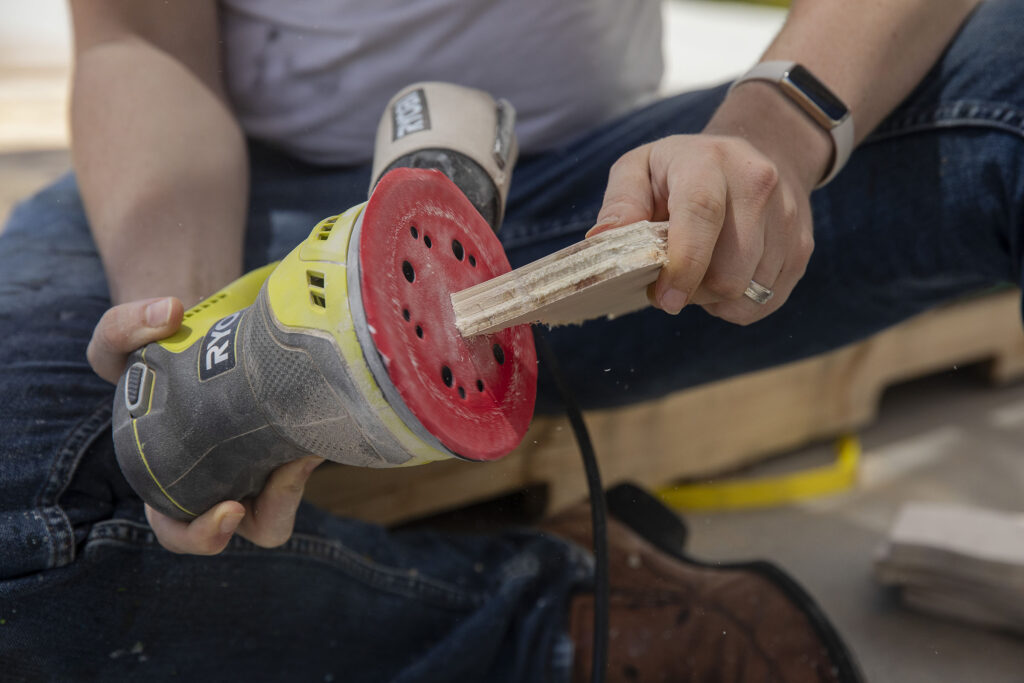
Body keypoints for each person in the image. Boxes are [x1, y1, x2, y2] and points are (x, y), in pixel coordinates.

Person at [1, 0, 1021, 679]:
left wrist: (775, 129)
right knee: (24, 505)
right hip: (245, 201)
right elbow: (140, 44)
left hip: (622, 201)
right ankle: (551, 618)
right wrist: (194, 344)